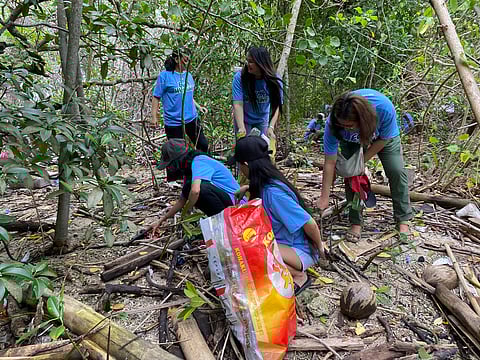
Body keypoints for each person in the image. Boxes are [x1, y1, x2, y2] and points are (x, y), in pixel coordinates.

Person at [227, 136, 326, 296]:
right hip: (284, 244)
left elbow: (310, 223)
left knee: (250, 254)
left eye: (239, 165)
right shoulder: (266, 183)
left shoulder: (273, 194)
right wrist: (247, 188)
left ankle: (298, 276)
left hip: (299, 250)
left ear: (246, 165)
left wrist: (320, 247)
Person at [316, 89, 413, 242]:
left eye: (349, 125)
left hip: (384, 139)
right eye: (342, 125)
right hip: (351, 143)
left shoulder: (384, 108)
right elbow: (330, 162)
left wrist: (361, 162)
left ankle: (403, 219)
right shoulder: (333, 124)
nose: (345, 127)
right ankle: (356, 222)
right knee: (352, 174)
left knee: (396, 171)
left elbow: (383, 140)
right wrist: (324, 197)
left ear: (362, 119)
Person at [151, 139, 243, 229]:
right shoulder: (189, 170)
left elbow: (195, 191)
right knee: (188, 188)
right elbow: (181, 201)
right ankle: (221, 224)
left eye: (171, 165)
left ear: (178, 160)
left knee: (201, 189)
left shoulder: (199, 161)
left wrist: (187, 212)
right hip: (226, 201)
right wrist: (161, 221)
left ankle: (225, 225)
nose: (171, 169)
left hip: (237, 204)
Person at [151, 48, 209, 155]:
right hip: (174, 122)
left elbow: (187, 95)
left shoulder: (188, 76)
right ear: (177, 59)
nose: (187, 61)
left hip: (191, 119)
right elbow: (156, 96)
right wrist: (154, 116)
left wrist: (199, 107)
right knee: (178, 153)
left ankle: (199, 168)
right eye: (185, 59)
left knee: (203, 145)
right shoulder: (165, 76)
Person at [232, 46, 283, 140]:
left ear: (261, 63)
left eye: (251, 61)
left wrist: (271, 127)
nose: (247, 64)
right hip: (244, 118)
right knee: (245, 147)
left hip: (262, 119)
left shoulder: (275, 81)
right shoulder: (239, 77)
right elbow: (238, 104)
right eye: (247, 60)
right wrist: (241, 127)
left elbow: (277, 106)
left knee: (262, 147)